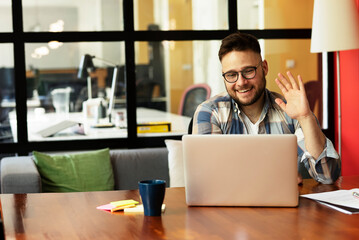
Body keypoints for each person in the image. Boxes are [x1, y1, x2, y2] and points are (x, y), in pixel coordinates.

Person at [192, 32, 341, 184]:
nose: (241, 82)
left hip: (284, 206)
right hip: (228, 207)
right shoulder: (210, 112)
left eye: (248, 71)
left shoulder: (290, 110)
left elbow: (327, 175)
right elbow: (208, 179)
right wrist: (274, 178)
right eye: (231, 74)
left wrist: (305, 118)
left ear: (264, 68)